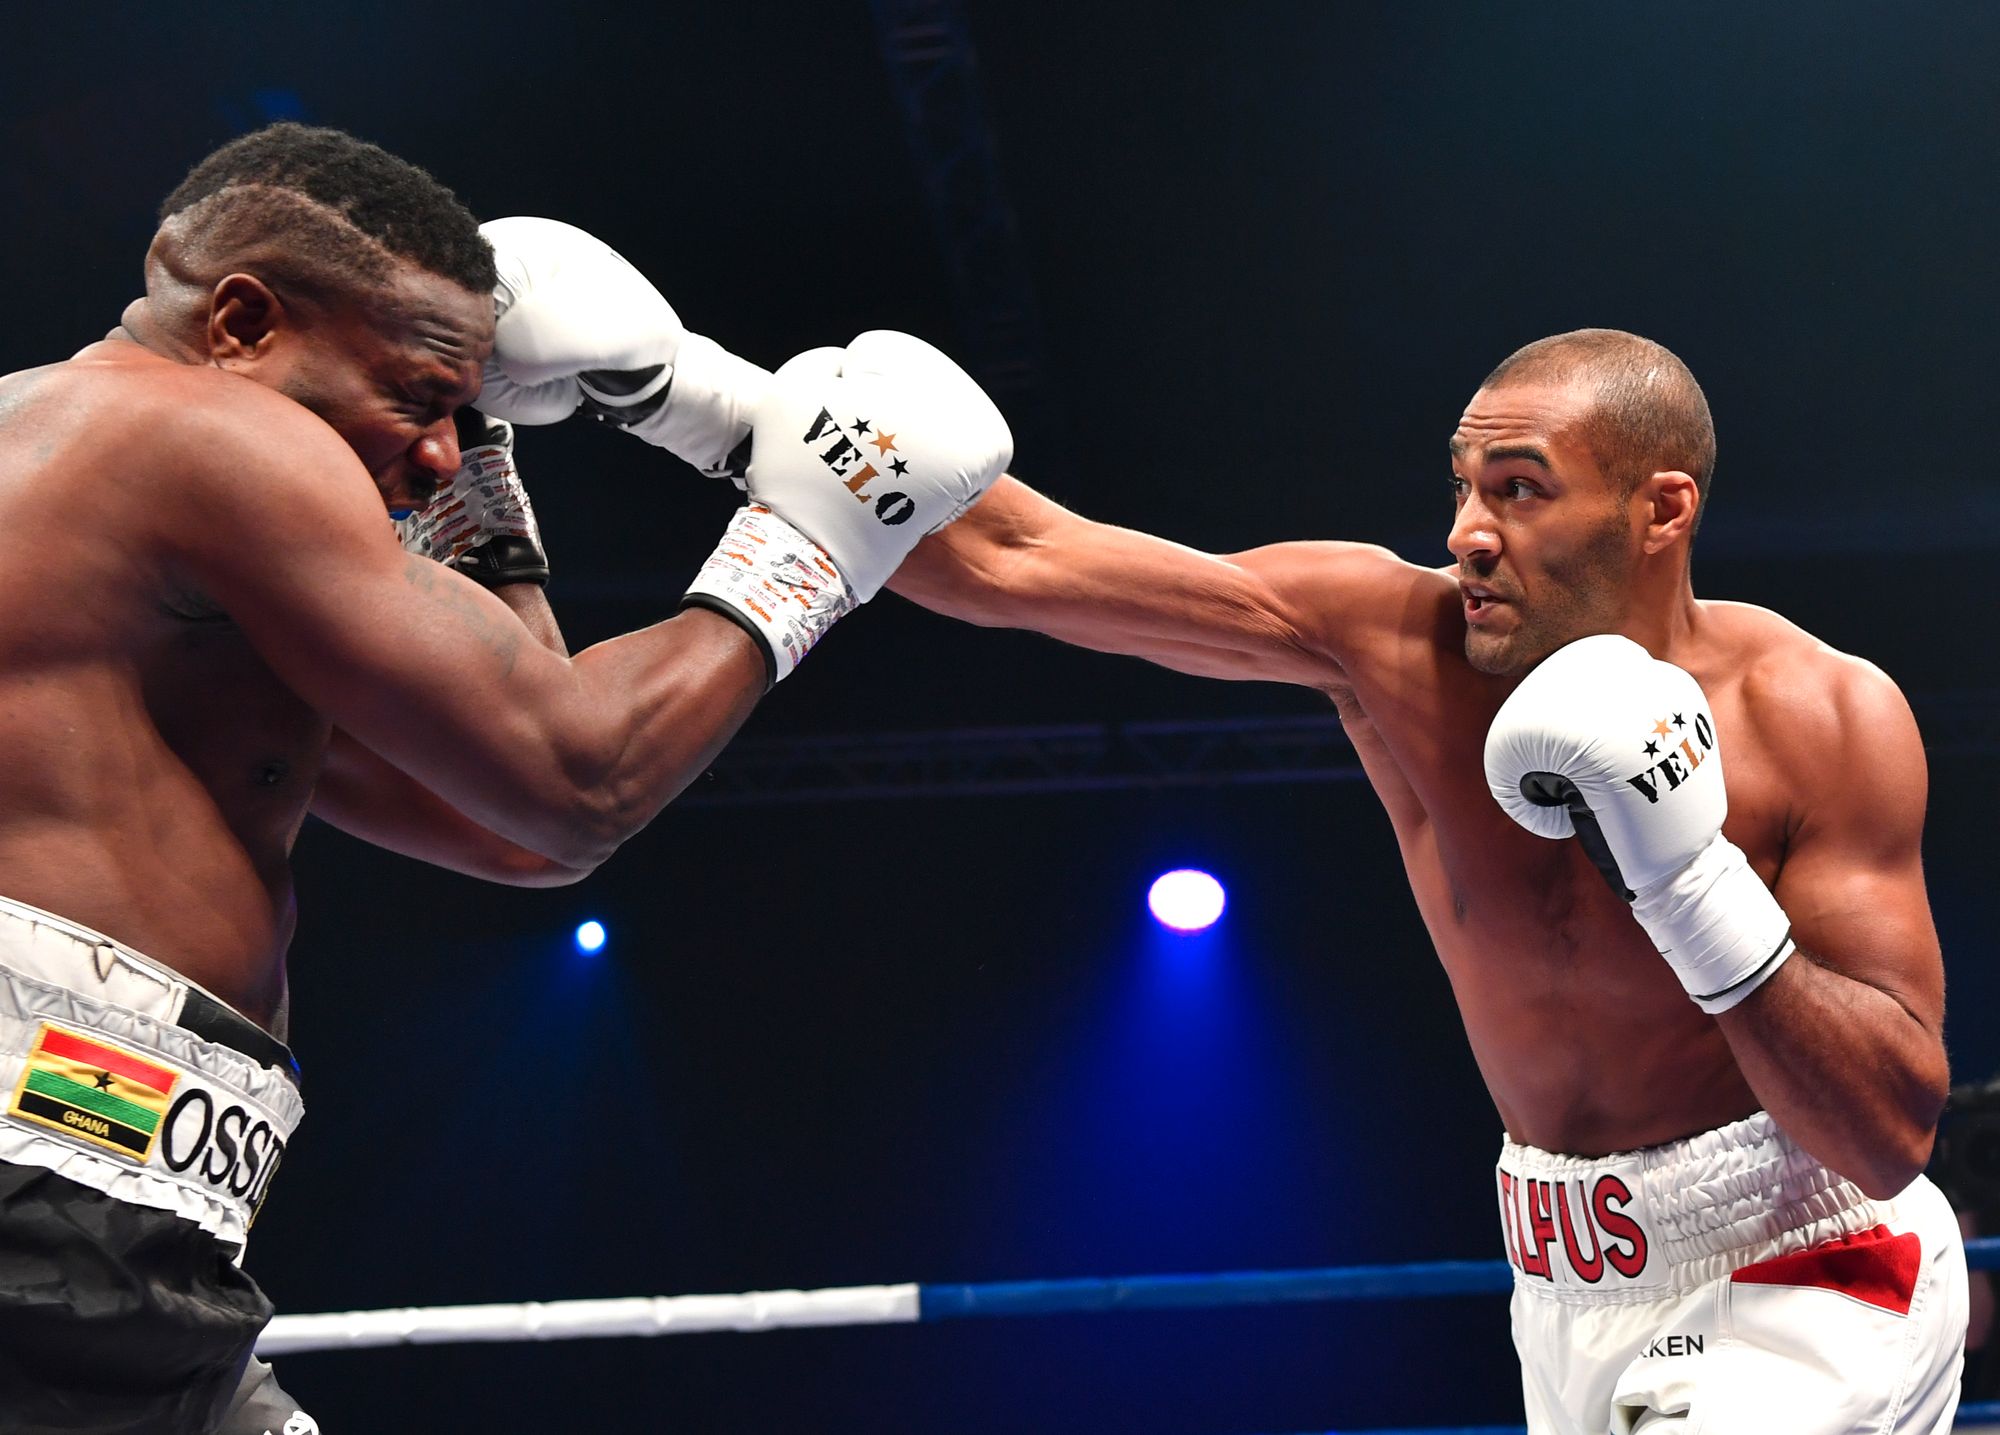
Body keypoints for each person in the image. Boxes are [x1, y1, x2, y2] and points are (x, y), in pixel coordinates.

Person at [0, 122, 1009, 1434]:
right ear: (242, 322)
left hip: (99, 1194)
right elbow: (575, 773)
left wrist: (484, 485)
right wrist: (813, 539)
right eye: (416, 398)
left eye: (460, 417)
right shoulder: (209, 436)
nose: (432, 450)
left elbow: (520, 830)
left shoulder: (93, 490)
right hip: (56, 1167)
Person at [883, 329, 1967, 1432]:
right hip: (1563, 1281)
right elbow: (1010, 558)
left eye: (1519, 490)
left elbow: (1886, 1137)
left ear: (1660, 510)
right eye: (1461, 486)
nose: (1466, 534)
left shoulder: (1817, 714)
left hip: (1810, 1259)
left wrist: (1689, 878)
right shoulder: (1388, 639)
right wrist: (726, 419)